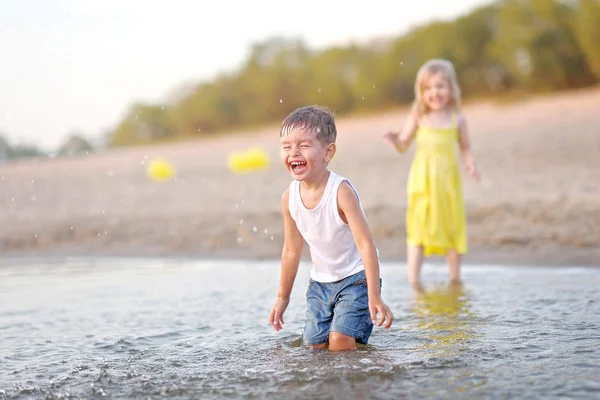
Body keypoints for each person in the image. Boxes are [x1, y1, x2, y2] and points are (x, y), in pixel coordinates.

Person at [269, 105, 394, 351]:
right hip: (320, 284)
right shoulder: (289, 198)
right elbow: (291, 251)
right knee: (313, 349)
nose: (293, 152)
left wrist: (374, 295)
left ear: (328, 152)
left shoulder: (341, 192)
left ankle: (355, 382)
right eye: (286, 146)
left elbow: (366, 244)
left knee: (339, 343)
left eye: (303, 145)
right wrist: (282, 298)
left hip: (356, 279)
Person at [383, 59, 480, 290]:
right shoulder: (418, 116)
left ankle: (455, 280)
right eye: (428, 88)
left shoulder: (458, 119)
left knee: (452, 229)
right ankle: (414, 282)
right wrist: (395, 140)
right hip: (422, 185)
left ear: (451, 88)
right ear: (421, 92)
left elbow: (466, 147)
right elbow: (404, 144)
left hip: (448, 187)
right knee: (418, 230)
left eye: (440, 86)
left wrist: (471, 164)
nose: (434, 93)